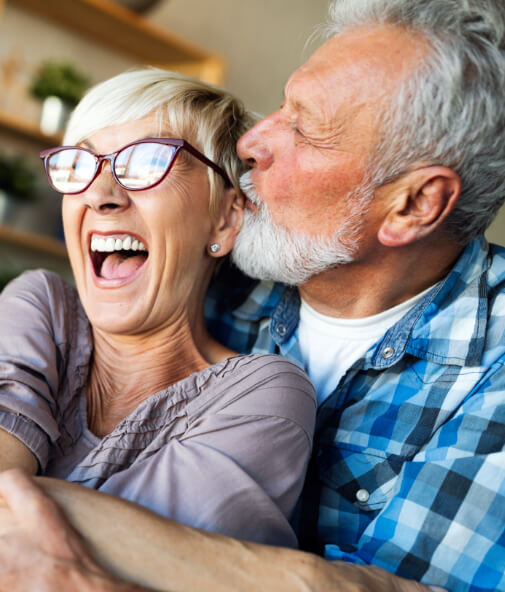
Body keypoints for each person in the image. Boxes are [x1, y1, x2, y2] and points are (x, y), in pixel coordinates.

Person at [0, 0, 504, 590]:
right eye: (282, 106)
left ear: (413, 205)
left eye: (305, 129)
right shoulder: (232, 272)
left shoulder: (488, 371)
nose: (252, 142)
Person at [0, 68, 316, 548]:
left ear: (226, 219)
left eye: (147, 162)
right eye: (80, 164)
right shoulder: (40, 305)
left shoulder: (264, 394)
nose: (100, 195)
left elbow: (135, 562)